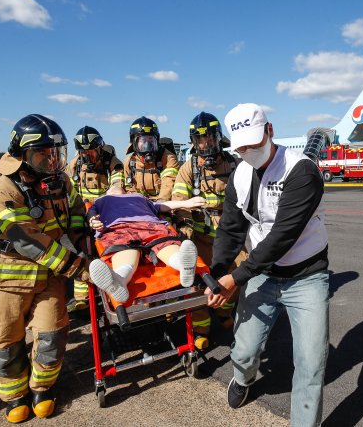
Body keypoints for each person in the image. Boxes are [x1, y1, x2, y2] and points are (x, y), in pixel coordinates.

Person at [206, 103, 329, 427]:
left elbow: (281, 237)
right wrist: (219, 271)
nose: (250, 151)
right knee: (244, 352)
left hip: (307, 276)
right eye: (242, 147)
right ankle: (243, 379)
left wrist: (236, 278)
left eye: (255, 143)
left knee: (311, 363)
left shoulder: (301, 171)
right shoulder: (240, 175)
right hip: (264, 276)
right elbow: (231, 229)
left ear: (270, 131)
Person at [0, 114, 92, 423]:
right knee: (7, 342)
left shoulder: (61, 181)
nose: (52, 160)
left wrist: (82, 239)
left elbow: (77, 210)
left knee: (53, 334)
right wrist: (78, 266)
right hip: (7, 278)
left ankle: (42, 388)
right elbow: (27, 240)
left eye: (56, 153)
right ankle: (14, 395)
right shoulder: (2, 191)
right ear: (22, 156)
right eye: (43, 153)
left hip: (49, 275)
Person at [172, 112, 242, 342]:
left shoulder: (234, 165)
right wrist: (185, 233)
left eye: (209, 139)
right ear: (193, 142)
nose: (204, 144)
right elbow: (180, 203)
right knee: (196, 283)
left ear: (218, 138)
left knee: (237, 277)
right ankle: (201, 331)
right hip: (200, 238)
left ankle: (223, 312)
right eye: (199, 140)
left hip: (229, 237)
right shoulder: (188, 168)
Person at [87, 186, 203, 303]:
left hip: (150, 224)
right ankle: (119, 280)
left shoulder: (139, 196)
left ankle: (183, 264)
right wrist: (93, 221)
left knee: (163, 241)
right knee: (124, 248)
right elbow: (91, 214)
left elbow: (162, 206)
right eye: (111, 186)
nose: (114, 186)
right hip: (118, 227)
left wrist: (187, 203)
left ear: (125, 191)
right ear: (106, 192)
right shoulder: (101, 200)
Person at [65, 126, 124, 312]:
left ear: (99, 148)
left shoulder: (113, 163)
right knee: (83, 252)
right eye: (84, 152)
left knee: (111, 253)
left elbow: (117, 186)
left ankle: (114, 292)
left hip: (107, 216)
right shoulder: (74, 165)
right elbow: (69, 192)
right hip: (82, 215)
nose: (87, 156)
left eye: (91, 152)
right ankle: (82, 298)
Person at [122, 116, 179, 201]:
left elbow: (169, 182)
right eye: (142, 140)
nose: (147, 144)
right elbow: (129, 188)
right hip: (139, 205)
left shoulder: (168, 158)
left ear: (157, 140)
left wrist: (160, 204)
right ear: (134, 141)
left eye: (150, 139)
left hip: (163, 204)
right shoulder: (129, 162)